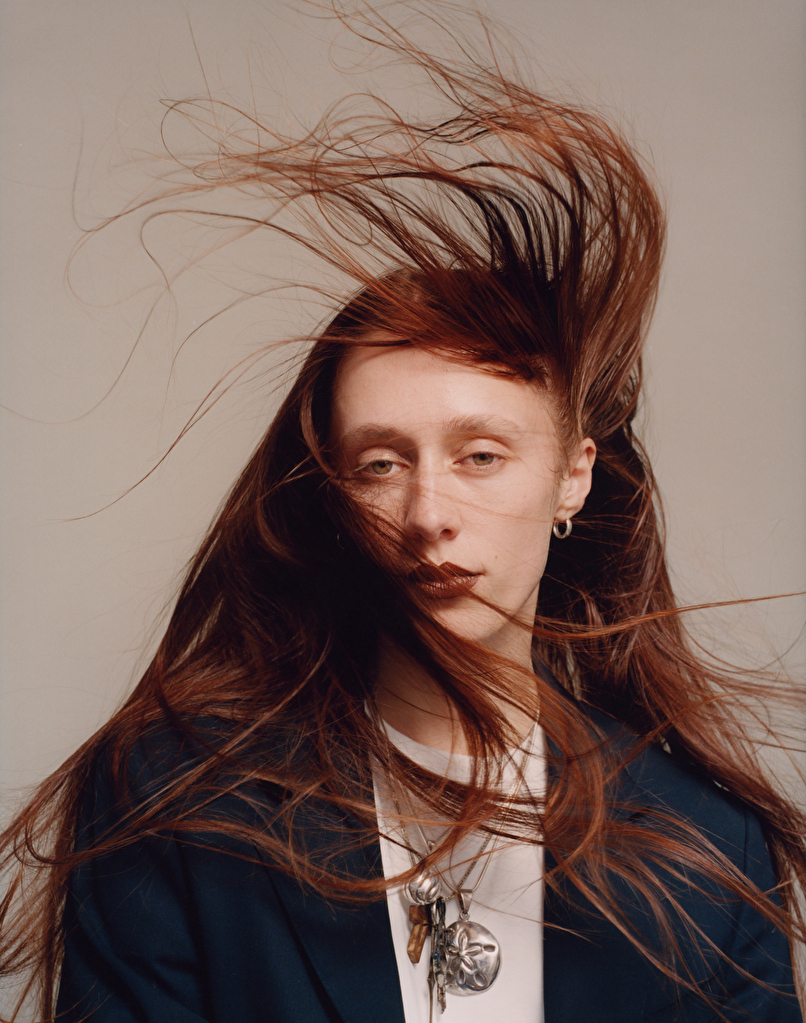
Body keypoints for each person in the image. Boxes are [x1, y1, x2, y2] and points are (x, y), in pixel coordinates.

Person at [1, 8, 804, 1022]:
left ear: (572, 478)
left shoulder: (707, 848)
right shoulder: (178, 802)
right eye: (381, 464)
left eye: (480, 456)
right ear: (335, 496)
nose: (429, 513)